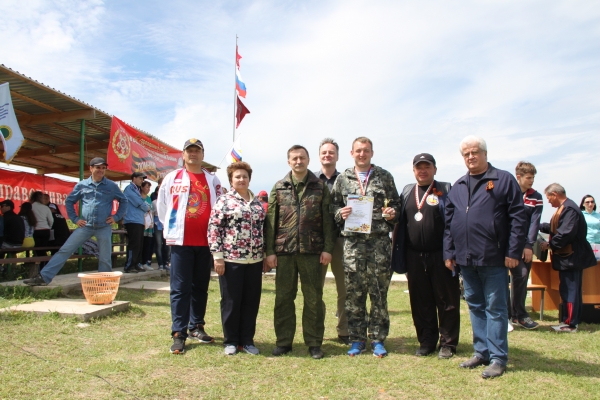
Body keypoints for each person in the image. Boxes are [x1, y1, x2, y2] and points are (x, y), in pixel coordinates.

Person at [444, 136, 527, 379]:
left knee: (496, 308)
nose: (471, 157)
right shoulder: (458, 186)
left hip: (494, 257)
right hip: (466, 259)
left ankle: (498, 357)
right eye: (466, 154)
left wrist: (513, 252)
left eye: (475, 152)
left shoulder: (503, 180)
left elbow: (518, 218)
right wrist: (449, 252)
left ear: (484, 153)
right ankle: (481, 352)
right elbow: (450, 224)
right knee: (475, 306)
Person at [264, 144, 336, 360]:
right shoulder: (279, 187)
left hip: (312, 251)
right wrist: (269, 251)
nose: (298, 161)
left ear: (308, 160)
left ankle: (314, 343)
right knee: (284, 298)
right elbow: (270, 222)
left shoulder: (320, 187)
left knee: (314, 298)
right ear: (289, 162)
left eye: (302, 158)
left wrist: (328, 249)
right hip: (284, 251)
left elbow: (328, 221)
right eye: (294, 158)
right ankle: (284, 342)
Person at [330, 137, 400, 358]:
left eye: (366, 151)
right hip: (352, 245)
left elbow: (396, 205)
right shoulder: (343, 178)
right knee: (354, 294)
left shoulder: (384, 176)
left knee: (379, 293)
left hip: (379, 243)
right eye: (358, 151)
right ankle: (357, 339)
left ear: (372, 152)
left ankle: (378, 339)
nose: (362, 154)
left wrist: (392, 214)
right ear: (352, 153)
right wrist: (339, 214)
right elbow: (333, 206)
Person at [157, 138, 223, 355]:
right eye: (189, 151)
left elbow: (219, 208)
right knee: (180, 288)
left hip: (206, 243)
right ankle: (179, 332)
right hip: (181, 242)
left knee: (200, 287)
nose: (193, 154)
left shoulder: (213, 180)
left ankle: (196, 326)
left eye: (197, 151)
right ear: (183, 155)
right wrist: (172, 230)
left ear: (202, 155)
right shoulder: (171, 178)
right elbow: (163, 207)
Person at [391, 153, 460, 359]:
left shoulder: (446, 190)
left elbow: (453, 224)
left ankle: (448, 343)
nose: (423, 170)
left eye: (427, 167)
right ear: (413, 170)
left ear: (435, 170)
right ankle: (426, 341)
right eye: (418, 167)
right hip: (414, 255)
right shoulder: (407, 192)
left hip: (441, 255)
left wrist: (451, 253)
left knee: (447, 300)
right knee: (420, 301)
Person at [24, 157, 128, 286]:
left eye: (103, 168)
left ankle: (104, 284)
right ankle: (43, 277)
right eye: (98, 167)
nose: (101, 170)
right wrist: (75, 219)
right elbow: (69, 201)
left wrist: (116, 217)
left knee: (105, 257)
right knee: (65, 250)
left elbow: (124, 201)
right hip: (85, 226)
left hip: (104, 226)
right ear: (91, 168)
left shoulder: (111, 186)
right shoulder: (82, 185)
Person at [208, 162, 267, 355]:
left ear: (249, 178)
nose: (241, 180)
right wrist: (218, 257)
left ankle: (247, 340)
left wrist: (265, 254)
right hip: (231, 260)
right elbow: (214, 229)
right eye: (237, 177)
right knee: (231, 302)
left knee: (251, 301)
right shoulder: (224, 201)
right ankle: (231, 341)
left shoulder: (257, 202)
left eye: (244, 176)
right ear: (231, 180)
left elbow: (263, 230)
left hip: (255, 261)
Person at [539, 184, 597, 332]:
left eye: (549, 198)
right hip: (569, 258)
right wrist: (539, 226)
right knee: (570, 289)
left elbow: (565, 233)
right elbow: (557, 227)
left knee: (570, 291)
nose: (549, 202)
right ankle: (570, 321)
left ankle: (570, 323)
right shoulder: (565, 208)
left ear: (555, 194)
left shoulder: (569, 209)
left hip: (571, 258)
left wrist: (550, 244)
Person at [314, 138, 350, 345]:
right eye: (324, 152)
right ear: (319, 156)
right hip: (316, 242)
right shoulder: (311, 180)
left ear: (337, 155)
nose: (327, 155)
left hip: (340, 239)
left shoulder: (346, 180)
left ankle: (344, 330)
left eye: (331, 152)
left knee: (344, 288)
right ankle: (316, 330)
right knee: (314, 289)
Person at [508, 162, 543, 331]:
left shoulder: (536, 197)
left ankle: (520, 315)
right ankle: (506, 315)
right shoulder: (508, 192)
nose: (532, 181)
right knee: (500, 279)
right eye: (529, 178)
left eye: (533, 178)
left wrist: (528, 245)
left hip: (524, 245)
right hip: (505, 244)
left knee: (521, 275)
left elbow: (534, 224)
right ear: (519, 177)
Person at [123, 172, 149, 273]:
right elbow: (138, 202)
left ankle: (136, 263)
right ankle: (129, 265)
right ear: (134, 178)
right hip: (132, 220)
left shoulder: (136, 189)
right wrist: (146, 207)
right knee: (134, 244)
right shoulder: (129, 189)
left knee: (139, 244)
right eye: (140, 178)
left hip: (138, 220)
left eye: (142, 179)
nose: (141, 181)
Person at [29, 191, 54, 269]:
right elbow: (51, 220)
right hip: (45, 230)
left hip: (35, 230)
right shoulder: (46, 207)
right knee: (43, 249)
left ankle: (42, 266)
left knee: (37, 250)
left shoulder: (31, 206)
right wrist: (48, 227)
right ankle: (45, 265)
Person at [151, 179, 169, 272]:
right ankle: (160, 263)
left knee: (167, 245)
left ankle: (166, 262)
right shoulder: (154, 199)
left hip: (166, 224)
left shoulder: (169, 199)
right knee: (158, 244)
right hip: (157, 223)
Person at [140, 181, 154, 270]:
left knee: (147, 244)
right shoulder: (139, 198)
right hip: (141, 224)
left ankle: (145, 262)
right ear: (142, 187)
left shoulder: (149, 199)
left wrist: (151, 222)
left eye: (149, 188)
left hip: (149, 226)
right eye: (146, 187)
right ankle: (139, 262)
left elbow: (151, 211)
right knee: (140, 244)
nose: (148, 189)